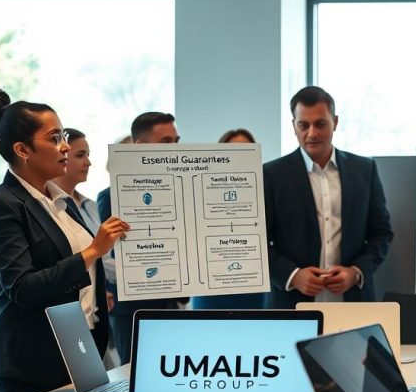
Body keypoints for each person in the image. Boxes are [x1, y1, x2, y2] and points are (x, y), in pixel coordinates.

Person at [0, 89, 129, 392]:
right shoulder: (0, 205)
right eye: (54, 137)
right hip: (32, 361)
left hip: (76, 349)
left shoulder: (57, 200)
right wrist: (93, 250)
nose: (66, 146)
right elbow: (23, 288)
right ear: (22, 149)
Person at [263, 86, 393, 308]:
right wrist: (293, 276)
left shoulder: (365, 169)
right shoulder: (272, 174)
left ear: (335, 122)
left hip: (353, 302)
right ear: (293, 126)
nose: (312, 133)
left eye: (320, 124)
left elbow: (381, 234)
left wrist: (356, 272)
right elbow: (259, 243)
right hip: (292, 304)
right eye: (303, 125)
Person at [96, 112, 180, 364]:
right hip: (132, 309)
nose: (175, 149)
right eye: (166, 142)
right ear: (140, 148)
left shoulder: (180, 191)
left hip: (169, 303)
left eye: (176, 141)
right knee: (132, 378)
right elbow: (113, 253)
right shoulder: (112, 195)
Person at [192, 127, 267, 310]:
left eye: (246, 152)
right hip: (211, 286)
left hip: (253, 286)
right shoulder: (199, 192)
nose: (239, 158)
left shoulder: (266, 192)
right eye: (233, 152)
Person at [50, 128, 100, 233]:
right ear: (60, 155)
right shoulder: (47, 206)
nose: (88, 162)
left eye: (88, 155)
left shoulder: (92, 205)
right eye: (80, 155)